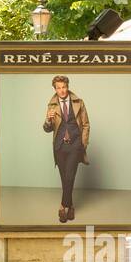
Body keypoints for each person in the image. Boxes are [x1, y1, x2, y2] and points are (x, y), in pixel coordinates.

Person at [42, 75, 89, 223]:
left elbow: (86, 124)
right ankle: (71, 205)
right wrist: (48, 120)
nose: (61, 90)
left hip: (75, 145)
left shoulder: (79, 103)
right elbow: (47, 129)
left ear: (67, 87)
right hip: (59, 146)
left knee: (70, 176)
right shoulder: (51, 106)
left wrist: (83, 143)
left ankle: (63, 206)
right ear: (55, 89)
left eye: (64, 87)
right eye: (58, 88)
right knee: (65, 178)